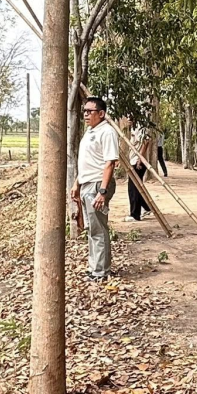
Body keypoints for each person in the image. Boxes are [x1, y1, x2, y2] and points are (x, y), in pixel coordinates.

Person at [71, 96, 119, 281]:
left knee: (98, 228)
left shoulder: (106, 132)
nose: (86, 114)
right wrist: (77, 183)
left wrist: (103, 191)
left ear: (101, 113)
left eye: (90, 111)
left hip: (98, 185)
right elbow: (87, 162)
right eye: (84, 111)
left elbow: (110, 163)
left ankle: (101, 271)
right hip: (87, 183)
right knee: (92, 228)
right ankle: (95, 267)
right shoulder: (90, 131)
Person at [125, 122, 150, 222]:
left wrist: (140, 158)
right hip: (133, 161)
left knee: (133, 188)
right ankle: (147, 207)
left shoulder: (140, 128)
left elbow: (146, 142)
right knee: (137, 187)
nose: (128, 119)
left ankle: (135, 214)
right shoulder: (133, 128)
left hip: (138, 162)